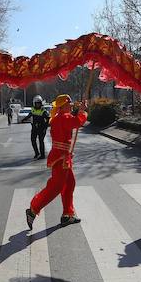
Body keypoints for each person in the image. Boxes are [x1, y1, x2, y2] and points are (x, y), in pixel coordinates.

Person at [26, 94, 87, 229]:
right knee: (56, 186)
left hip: (63, 156)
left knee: (70, 183)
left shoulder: (60, 117)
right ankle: (33, 209)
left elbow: (72, 124)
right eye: (68, 104)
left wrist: (80, 111)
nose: (70, 106)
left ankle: (67, 214)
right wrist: (83, 111)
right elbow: (77, 122)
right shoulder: (64, 117)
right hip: (61, 157)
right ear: (62, 106)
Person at [28, 95, 50, 159]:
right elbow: (29, 115)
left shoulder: (43, 110)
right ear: (34, 104)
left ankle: (42, 155)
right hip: (34, 128)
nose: (38, 105)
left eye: (39, 103)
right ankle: (37, 153)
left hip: (41, 128)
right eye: (36, 103)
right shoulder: (33, 110)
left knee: (41, 141)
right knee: (33, 140)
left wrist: (45, 127)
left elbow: (48, 119)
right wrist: (24, 119)